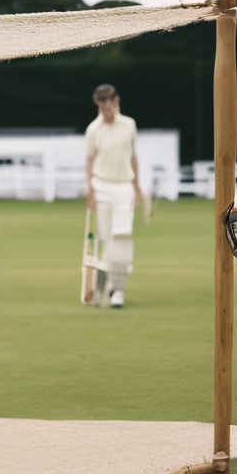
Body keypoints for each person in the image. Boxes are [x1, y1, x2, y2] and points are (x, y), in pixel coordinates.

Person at [83, 84, 142, 308]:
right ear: (99, 105)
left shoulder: (129, 125)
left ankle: (118, 291)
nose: (107, 110)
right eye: (102, 107)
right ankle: (108, 283)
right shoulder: (93, 129)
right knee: (107, 241)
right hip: (102, 187)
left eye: (110, 105)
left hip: (123, 187)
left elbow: (133, 157)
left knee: (121, 239)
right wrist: (89, 189)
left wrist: (137, 186)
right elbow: (89, 160)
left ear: (116, 102)